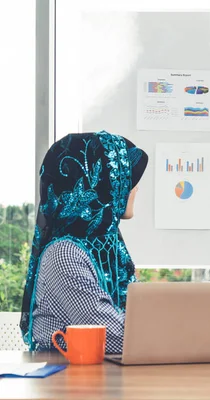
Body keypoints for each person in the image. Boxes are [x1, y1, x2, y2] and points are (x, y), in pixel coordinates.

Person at [20, 131, 148, 353]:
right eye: (127, 181)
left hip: (107, 375)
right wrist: (180, 334)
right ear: (104, 185)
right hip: (69, 380)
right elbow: (109, 335)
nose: (135, 188)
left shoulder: (107, 245)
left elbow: (138, 319)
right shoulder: (64, 253)